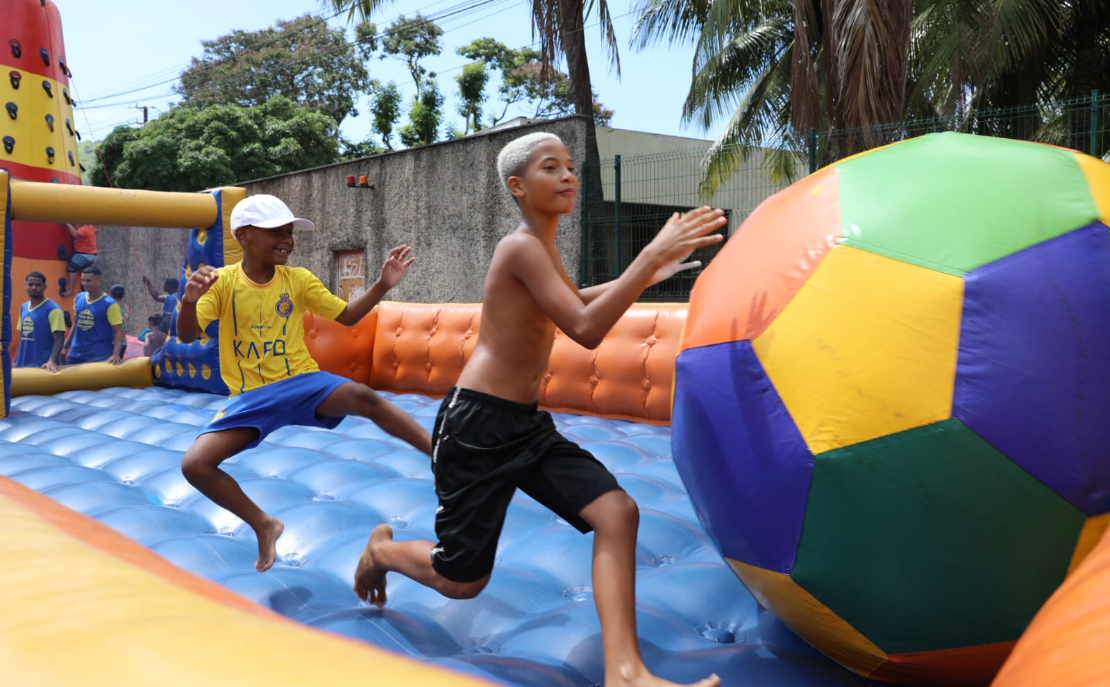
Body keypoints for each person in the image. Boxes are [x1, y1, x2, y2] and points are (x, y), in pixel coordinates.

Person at [352, 132, 725, 687]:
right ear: (518, 187)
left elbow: (572, 302)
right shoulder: (520, 246)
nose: (569, 175)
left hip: (524, 425)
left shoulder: (543, 249)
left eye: (571, 166)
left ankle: (626, 672)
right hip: (476, 426)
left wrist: (645, 276)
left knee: (616, 512)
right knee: (461, 583)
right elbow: (585, 328)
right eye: (552, 167)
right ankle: (381, 552)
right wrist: (646, 259)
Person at [176, 194, 433, 573]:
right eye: (275, 232)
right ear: (244, 235)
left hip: (300, 381)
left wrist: (382, 284)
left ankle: (437, 451)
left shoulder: (297, 280)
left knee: (362, 395)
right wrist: (188, 302)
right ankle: (264, 523)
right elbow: (185, 336)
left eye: (289, 233)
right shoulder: (223, 283)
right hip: (251, 397)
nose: (287, 240)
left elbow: (346, 316)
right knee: (195, 465)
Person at [62, 266, 124, 365]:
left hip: (98, 356)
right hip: (75, 354)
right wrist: (65, 347)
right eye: (82, 280)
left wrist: (116, 354)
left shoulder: (110, 304)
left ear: (99, 280)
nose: (85, 284)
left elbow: (118, 332)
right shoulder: (78, 298)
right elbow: (76, 324)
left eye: (89, 281)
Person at [14, 272, 66, 372]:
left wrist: (52, 361)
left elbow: (59, 338)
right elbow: (22, 337)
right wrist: (15, 360)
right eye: (30, 284)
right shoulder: (23, 307)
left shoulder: (54, 309)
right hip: (22, 365)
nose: (33, 287)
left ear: (45, 287)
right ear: (25, 285)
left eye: (38, 285)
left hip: (43, 366)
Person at [60, 222, 98, 297]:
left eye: (74, 224)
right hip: (93, 256)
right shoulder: (90, 227)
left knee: (71, 268)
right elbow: (96, 231)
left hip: (83, 254)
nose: (74, 226)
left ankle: (71, 289)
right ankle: (87, 290)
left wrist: (69, 225)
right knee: (85, 272)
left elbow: (76, 235)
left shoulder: (82, 228)